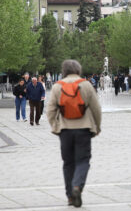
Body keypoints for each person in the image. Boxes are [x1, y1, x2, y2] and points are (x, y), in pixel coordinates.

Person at [47, 60, 101, 208]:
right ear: (78, 70)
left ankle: (70, 196)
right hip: (84, 129)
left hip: (64, 129)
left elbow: (50, 110)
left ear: (63, 70)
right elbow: (96, 108)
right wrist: (97, 126)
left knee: (68, 163)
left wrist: (55, 126)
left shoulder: (58, 86)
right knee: (83, 160)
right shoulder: (86, 84)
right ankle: (77, 186)